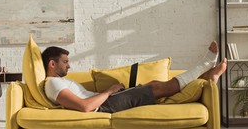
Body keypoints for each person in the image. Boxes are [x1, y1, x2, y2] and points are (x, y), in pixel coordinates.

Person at [42, 42, 227, 113]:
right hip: (104, 107)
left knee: (153, 84)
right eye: (65, 62)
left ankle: (208, 77)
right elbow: (85, 107)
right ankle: (205, 68)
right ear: (52, 64)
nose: (69, 65)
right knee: (157, 89)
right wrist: (109, 90)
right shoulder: (53, 84)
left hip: (106, 101)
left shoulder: (59, 81)